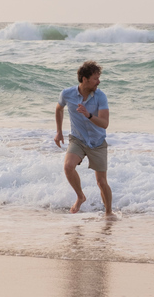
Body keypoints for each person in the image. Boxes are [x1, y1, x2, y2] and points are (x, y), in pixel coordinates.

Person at [54, 61, 115, 219]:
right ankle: (80, 196)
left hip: (97, 142)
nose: (99, 82)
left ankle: (109, 213)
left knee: (101, 182)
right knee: (68, 166)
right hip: (78, 139)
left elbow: (105, 123)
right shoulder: (67, 94)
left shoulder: (100, 96)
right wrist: (59, 132)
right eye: (95, 78)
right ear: (85, 79)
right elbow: (59, 108)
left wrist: (88, 115)